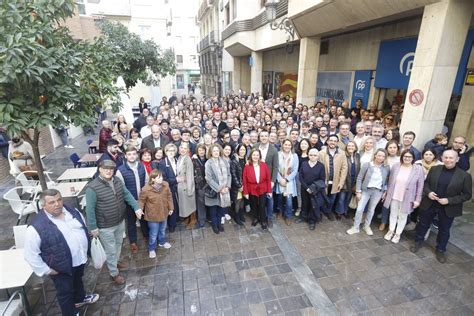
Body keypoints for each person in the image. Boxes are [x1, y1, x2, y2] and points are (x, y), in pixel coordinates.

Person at [24, 189, 99, 316]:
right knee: (65, 292)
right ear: (43, 205)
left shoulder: (71, 211)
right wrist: (48, 270)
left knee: (78, 280)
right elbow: (30, 255)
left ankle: (80, 299)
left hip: (79, 258)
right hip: (60, 267)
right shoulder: (36, 227)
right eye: (51, 202)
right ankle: (70, 313)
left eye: (59, 200)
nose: (57, 204)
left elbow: (82, 225)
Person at [85, 160, 143, 285]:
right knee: (110, 249)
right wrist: (93, 227)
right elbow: (89, 209)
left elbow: (126, 194)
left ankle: (115, 262)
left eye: (111, 169)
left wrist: (136, 207)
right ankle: (114, 273)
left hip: (119, 220)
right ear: (99, 169)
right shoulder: (92, 187)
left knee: (118, 244)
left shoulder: (117, 180)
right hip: (105, 226)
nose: (108, 171)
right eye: (105, 168)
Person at [410, 150, 472, 263]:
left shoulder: (465, 176)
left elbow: (467, 195)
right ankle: (418, 242)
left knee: (444, 230)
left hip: (448, 207)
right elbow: (426, 184)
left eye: (451, 158)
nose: (448, 160)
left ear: (457, 159)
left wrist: (449, 200)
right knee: (423, 224)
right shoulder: (434, 169)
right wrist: (428, 193)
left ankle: (440, 249)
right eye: (446, 157)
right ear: (442, 158)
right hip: (430, 203)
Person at [383, 149, 425, 243]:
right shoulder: (396, 166)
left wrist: (417, 200)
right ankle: (391, 230)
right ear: (402, 157)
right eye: (405, 156)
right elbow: (390, 181)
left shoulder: (418, 169)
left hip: (408, 197)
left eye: (409, 157)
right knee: (393, 214)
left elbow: (420, 186)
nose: (407, 158)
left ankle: (398, 234)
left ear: (413, 158)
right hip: (394, 195)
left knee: (403, 216)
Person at [347, 149, 390, 236]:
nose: (381, 158)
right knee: (359, 209)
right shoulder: (367, 165)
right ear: (375, 155)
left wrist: (385, 191)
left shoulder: (386, 167)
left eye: (383, 156)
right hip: (366, 190)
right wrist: (358, 191)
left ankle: (367, 226)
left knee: (371, 209)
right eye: (379, 155)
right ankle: (355, 227)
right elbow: (359, 178)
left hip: (377, 192)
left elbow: (386, 181)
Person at [116, 146, 148, 254]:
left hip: (143, 200)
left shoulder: (142, 166)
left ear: (137, 155)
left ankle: (146, 236)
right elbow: (121, 189)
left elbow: (147, 181)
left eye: (134, 154)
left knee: (144, 219)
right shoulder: (120, 170)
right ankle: (133, 242)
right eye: (129, 154)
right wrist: (132, 202)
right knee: (131, 222)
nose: (132, 156)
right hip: (130, 202)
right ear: (125, 156)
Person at [138, 169, 174, 258]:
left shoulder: (165, 185)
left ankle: (162, 242)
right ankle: (151, 248)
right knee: (153, 233)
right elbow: (141, 201)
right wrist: (139, 210)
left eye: (161, 177)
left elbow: (169, 196)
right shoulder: (146, 189)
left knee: (162, 230)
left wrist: (171, 208)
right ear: (153, 179)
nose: (161, 179)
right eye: (159, 177)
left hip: (164, 213)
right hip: (152, 215)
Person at [318, 135, 348, 220]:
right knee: (322, 197)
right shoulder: (321, 153)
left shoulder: (342, 153)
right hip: (324, 181)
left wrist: (341, 182)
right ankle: (320, 212)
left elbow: (344, 168)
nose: (332, 142)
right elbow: (319, 168)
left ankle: (328, 211)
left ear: (337, 142)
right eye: (331, 140)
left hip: (335, 181)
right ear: (327, 141)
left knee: (332, 198)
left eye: (335, 141)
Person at [253, 130, 279, 227]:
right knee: (257, 198)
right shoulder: (255, 147)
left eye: (265, 136)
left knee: (269, 199)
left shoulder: (273, 150)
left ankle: (269, 218)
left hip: (268, 179)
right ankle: (258, 217)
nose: (264, 138)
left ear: (268, 137)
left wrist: (273, 180)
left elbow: (276, 167)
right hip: (256, 178)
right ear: (259, 137)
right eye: (262, 136)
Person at [205, 144, 232, 234]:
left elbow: (229, 174)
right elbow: (209, 179)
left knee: (221, 209)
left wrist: (227, 186)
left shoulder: (224, 161)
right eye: (214, 151)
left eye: (217, 150)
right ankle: (214, 225)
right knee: (213, 210)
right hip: (214, 190)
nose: (216, 152)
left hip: (225, 190)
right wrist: (220, 189)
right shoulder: (208, 163)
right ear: (211, 153)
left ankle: (220, 224)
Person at [243, 148, 272, 230]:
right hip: (251, 188)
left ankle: (263, 220)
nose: (255, 157)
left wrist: (269, 190)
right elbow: (244, 180)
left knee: (262, 205)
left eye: (257, 155)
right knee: (254, 205)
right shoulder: (247, 166)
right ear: (251, 156)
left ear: (259, 156)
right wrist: (245, 192)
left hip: (263, 188)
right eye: (254, 155)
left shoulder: (264, 165)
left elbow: (268, 179)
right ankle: (255, 218)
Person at [299, 148, 326, 230]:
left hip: (315, 190)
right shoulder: (304, 164)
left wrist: (313, 189)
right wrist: (307, 188)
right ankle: (303, 217)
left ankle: (312, 221)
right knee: (304, 203)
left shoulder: (321, 166)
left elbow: (322, 179)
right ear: (308, 155)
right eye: (311, 155)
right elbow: (300, 177)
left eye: (315, 155)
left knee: (313, 205)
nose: (312, 157)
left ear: (318, 156)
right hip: (304, 188)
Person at [275, 139, 299, 225]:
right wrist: (280, 179)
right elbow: (275, 168)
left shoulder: (294, 156)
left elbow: (295, 170)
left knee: (289, 201)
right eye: (286, 144)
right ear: (282, 145)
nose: (287, 146)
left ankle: (288, 216)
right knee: (280, 198)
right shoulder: (278, 155)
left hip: (289, 182)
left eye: (289, 145)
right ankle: (280, 211)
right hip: (280, 180)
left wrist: (287, 179)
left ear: (291, 146)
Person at [158, 143, 180, 232]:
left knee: (177, 205)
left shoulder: (177, 160)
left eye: (173, 150)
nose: (171, 152)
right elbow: (164, 179)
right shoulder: (163, 163)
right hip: (169, 188)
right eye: (169, 150)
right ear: (166, 152)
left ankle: (176, 220)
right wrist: (176, 180)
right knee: (172, 206)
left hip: (179, 187)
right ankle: (172, 225)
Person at [176, 143, 197, 229]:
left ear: (188, 150)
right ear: (179, 148)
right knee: (185, 204)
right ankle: (188, 218)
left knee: (190, 203)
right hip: (181, 184)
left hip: (187, 185)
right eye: (181, 148)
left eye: (185, 148)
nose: (183, 150)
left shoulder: (188, 159)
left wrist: (190, 189)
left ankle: (193, 219)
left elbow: (190, 175)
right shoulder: (180, 158)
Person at [337, 141, 360, 218]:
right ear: (346, 147)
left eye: (352, 146)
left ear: (355, 147)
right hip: (345, 180)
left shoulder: (357, 156)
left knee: (348, 198)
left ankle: (345, 211)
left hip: (353, 181)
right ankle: (339, 212)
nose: (350, 147)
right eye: (349, 146)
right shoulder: (343, 155)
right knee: (341, 198)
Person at [230, 143, 247, 226]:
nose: (242, 151)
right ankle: (236, 217)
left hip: (245, 185)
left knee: (243, 200)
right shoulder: (234, 160)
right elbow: (233, 174)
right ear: (237, 150)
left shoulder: (246, 160)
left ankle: (241, 214)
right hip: (238, 186)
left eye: (244, 150)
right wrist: (239, 186)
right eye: (241, 149)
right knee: (238, 201)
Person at [192, 144, 208, 228]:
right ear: (197, 151)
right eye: (200, 150)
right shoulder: (194, 160)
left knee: (208, 202)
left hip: (208, 184)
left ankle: (208, 217)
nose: (201, 152)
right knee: (200, 204)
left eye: (203, 150)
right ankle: (201, 220)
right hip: (199, 185)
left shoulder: (208, 159)